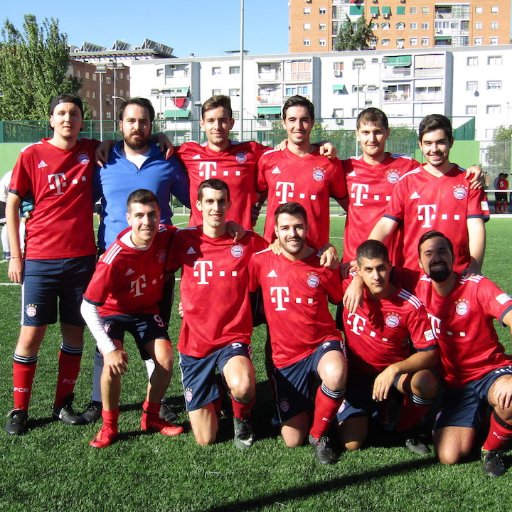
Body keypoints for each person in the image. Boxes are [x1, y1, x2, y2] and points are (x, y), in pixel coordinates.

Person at [82, 97, 190, 425]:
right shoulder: (104, 160)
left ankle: (155, 402)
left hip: (158, 261)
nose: (137, 127)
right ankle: (97, 402)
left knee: (154, 335)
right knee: (106, 334)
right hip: (114, 262)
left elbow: (194, 200)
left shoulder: (167, 159)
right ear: (120, 125)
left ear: (152, 127)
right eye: (131, 121)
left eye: (144, 121)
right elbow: (81, 202)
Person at [5, 94, 98, 435]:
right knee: (31, 334)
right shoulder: (31, 155)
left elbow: (130, 143)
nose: (67, 118)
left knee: (74, 332)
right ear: (51, 119)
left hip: (80, 261)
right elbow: (13, 206)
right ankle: (19, 409)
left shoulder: (91, 150)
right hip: (40, 260)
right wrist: (17, 256)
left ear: (81, 121)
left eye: (74, 113)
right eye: (61, 113)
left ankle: (63, 404)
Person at [392, 231, 512, 477]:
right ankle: (488, 416)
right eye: (429, 254)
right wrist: (359, 282)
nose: (436, 258)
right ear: (420, 263)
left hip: (490, 371)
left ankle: (491, 450)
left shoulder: (477, 285)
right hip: (456, 384)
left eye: (442, 252)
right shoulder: (418, 284)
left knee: (510, 396)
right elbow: (374, 268)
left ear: (454, 256)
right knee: (449, 455)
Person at [167, 178, 267, 449]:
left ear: (229, 204)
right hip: (195, 344)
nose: (216, 207)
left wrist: (325, 252)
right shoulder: (183, 239)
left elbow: (280, 251)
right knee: (206, 439)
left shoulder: (244, 241)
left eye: (221, 201)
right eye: (209, 201)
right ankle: (217, 389)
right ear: (198, 204)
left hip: (231, 339)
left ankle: (241, 420)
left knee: (244, 385)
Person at [81, 189, 184, 448]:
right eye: (139, 215)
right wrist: (107, 349)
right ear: (128, 218)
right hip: (112, 313)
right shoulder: (114, 257)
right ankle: (109, 426)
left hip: (146, 310)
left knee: (166, 358)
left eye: (151, 215)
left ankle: (151, 416)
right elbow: (87, 307)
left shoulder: (166, 234)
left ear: (160, 215)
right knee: (112, 364)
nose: (146, 221)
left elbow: (194, 234)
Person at [249, 202, 347, 464]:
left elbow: (338, 297)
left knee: (336, 373)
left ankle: (320, 435)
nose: (292, 233)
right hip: (285, 354)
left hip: (321, 344)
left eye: (298, 227)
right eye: (285, 228)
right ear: (276, 232)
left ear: (307, 228)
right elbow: (239, 294)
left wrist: (347, 269)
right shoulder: (260, 261)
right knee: (292, 440)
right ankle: (315, 403)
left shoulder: (321, 262)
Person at [337, 240, 438, 454]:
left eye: (381, 268)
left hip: (393, 375)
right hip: (357, 376)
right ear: (359, 270)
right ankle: (380, 410)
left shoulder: (409, 305)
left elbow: (430, 354)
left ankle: (407, 427)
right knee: (351, 444)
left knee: (426, 382)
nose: (376, 276)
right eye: (369, 270)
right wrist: (355, 279)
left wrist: (393, 369)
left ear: (390, 266)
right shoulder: (348, 286)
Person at [369, 114, 489, 274]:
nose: (434, 149)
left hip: (456, 275)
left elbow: (476, 227)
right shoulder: (407, 182)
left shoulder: (469, 181)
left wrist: (474, 266)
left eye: (440, 142)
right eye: (428, 143)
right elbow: (386, 225)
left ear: (451, 142)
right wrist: (366, 256)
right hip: (414, 275)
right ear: (420, 144)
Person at [257, 95, 347, 249]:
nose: (298, 126)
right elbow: (253, 199)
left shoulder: (329, 162)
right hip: (276, 254)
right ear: (284, 123)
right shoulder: (268, 160)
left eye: (304, 120)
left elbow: (352, 207)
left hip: (314, 255)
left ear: (312, 123)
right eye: (292, 120)